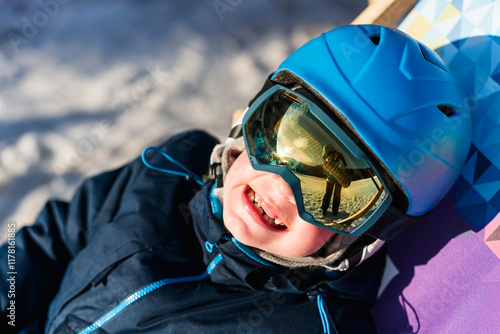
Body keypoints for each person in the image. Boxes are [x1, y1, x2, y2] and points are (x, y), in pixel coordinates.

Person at [1, 24, 471, 333]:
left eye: (334, 192)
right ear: (249, 119)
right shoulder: (165, 173)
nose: (282, 184)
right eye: (284, 139)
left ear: (366, 234)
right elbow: (51, 244)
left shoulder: (309, 325)